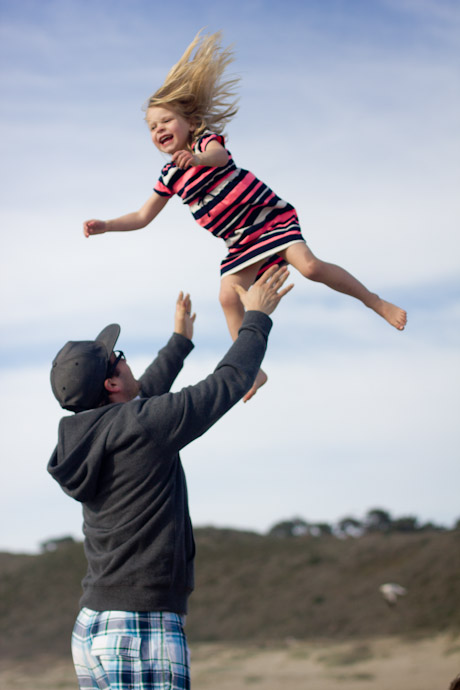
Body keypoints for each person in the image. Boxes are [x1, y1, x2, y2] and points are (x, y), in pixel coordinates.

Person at [83, 30, 407, 402]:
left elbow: (219, 157)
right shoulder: (169, 176)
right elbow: (142, 216)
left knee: (311, 267)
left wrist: (199, 158)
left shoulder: (205, 142)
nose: (158, 130)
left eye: (165, 121)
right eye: (152, 128)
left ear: (189, 122)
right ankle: (254, 367)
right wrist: (107, 225)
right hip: (239, 242)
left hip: (268, 220)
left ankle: (374, 301)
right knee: (226, 297)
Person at [47, 267, 292, 690]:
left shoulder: (94, 432)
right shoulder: (140, 426)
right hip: (140, 628)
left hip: (95, 625)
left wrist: (179, 342)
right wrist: (257, 317)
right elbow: (226, 384)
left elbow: (142, 395)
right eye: (118, 359)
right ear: (110, 381)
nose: (125, 359)